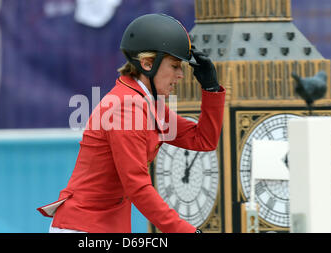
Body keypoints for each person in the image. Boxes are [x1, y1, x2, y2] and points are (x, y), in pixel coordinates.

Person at [38, 13, 225, 233]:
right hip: (84, 227)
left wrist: (211, 88)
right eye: (175, 66)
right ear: (147, 64)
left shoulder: (146, 104)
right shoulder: (125, 108)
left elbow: (203, 140)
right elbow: (138, 186)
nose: (181, 75)